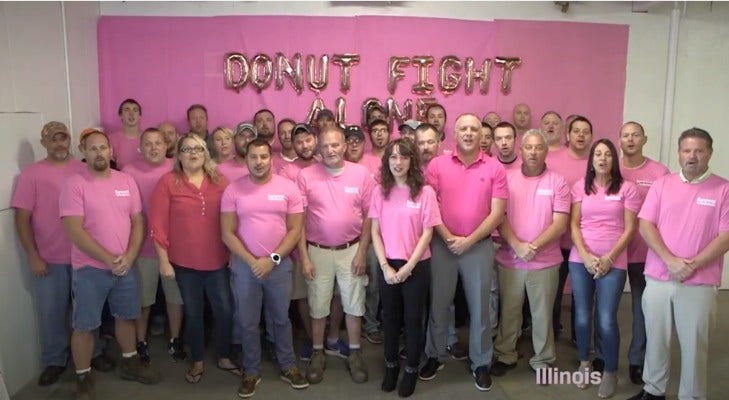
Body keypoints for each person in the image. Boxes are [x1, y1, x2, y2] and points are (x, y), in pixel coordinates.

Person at [628, 128, 729, 400]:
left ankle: (692, 396)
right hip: (659, 277)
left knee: (695, 346)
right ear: (679, 153)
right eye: (687, 150)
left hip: (699, 282)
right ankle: (653, 390)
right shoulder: (663, 184)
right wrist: (671, 261)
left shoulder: (724, 189)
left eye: (698, 150)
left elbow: (726, 236)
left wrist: (691, 265)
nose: (692, 156)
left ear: (709, 153)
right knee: (656, 340)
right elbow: (646, 224)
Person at [59, 129, 160, 399]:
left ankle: (129, 363)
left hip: (124, 267)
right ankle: (83, 377)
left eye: (103, 147)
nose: (100, 152)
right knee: (84, 326)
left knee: (126, 317)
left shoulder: (125, 181)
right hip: (90, 269)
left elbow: (138, 220)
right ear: (84, 151)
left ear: (111, 151)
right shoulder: (74, 184)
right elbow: (74, 230)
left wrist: (129, 256)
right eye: (93, 148)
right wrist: (109, 259)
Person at [420, 113, 507, 392]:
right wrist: (448, 237)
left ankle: (480, 362)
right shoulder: (436, 165)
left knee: (480, 306)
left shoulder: (494, 168)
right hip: (442, 244)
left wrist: (468, 241)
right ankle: (435, 355)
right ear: (454, 134)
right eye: (463, 129)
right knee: (439, 303)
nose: (468, 133)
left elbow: (497, 214)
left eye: (473, 128)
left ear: (481, 134)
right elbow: (428, 206)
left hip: (478, 246)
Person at [221, 139, 308, 398]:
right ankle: (251, 370)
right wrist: (252, 261)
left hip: (279, 266)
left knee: (281, 319)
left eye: (263, 157)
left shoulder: (288, 188)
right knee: (247, 322)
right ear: (246, 159)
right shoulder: (233, 190)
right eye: (253, 157)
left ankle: (288, 366)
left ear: (271, 159)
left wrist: (272, 260)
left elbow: (295, 230)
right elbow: (227, 233)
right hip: (246, 267)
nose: (259, 162)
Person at [149, 133, 238, 384]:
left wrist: (232, 252)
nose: (193, 153)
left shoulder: (220, 180)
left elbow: (232, 219)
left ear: (205, 153)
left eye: (197, 148)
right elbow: (157, 224)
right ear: (178, 155)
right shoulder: (168, 182)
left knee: (224, 311)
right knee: (194, 313)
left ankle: (223, 356)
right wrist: (164, 260)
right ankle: (197, 360)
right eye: (186, 149)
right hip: (184, 264)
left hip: (218, 261)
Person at [12, 122, 92, 386]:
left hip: (85, 257)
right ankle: (55, 360)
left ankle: (95, 353)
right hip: (49, 259)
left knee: (87, 311)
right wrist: (32, 255)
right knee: (51, 312)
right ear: (44, 142)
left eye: (63, 138)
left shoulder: (84, 170)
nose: (59, 144)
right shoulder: (31, 175)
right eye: (53, 139)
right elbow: (22, 219)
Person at [297, 127, 375, 384]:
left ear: (344, 146)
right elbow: (299, 221)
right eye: (325, 146)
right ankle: (318, 353)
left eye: (335, 145)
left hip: (352, 249)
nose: (330, 150)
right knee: (318, 304)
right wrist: (304, 257)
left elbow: (368, 217)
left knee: (354, 303)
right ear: (319, 148)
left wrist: (362, 252)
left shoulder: (361, 174)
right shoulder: (306, 176)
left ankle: (354, 352)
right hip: (317, 251)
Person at [491, 130, 570, 376]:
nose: (533, 152)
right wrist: (517, 245)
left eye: (538, 147)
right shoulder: (506, 177)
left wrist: (531, 247)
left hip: (545, 262)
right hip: (510, 259)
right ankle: (505, 354)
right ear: (521, 150)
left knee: (542, 314)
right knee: (509, 311)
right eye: (529, 147)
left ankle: (543, 359)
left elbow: (560, 224)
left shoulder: (558, 181)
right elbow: (498, 216)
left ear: (546, 151)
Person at [569, 138, 640, 398]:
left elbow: (631, 228)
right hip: (581, 260)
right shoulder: (580, 187)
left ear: (614, 159)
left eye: (607, 154)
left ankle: (610, 371)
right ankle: (585, 363)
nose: (602, 158)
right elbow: (574, 225)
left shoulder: (627, 189)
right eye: (597, 154)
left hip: (614, 260)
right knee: (582, 316)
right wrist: (587, 256)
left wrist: (609, 258)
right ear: (591, 160)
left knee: (607, 319)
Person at [370, 139, 441, 397]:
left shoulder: (425, 192)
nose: (397, 162)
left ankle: (411, 368)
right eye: (393, 158)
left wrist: (409, 266)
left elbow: (427, 232)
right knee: (389, 319)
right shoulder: (379, 191)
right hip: (387, 264)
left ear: (412, 161)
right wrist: (385, 267)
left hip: (416, 266)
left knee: (413, 320)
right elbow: (375, 232)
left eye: (403, 157)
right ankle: (391, 366)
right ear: (387, 162)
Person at [613, 121, 670, 385]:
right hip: (612, 252)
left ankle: (637, 360)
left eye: (636, 135)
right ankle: (604, 358)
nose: (631, 139)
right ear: (620, 140)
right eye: (626, 135)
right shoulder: (612, 167)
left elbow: (669, 213)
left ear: (644, 139)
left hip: (643, 253)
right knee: (606, 310)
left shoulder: (659, 172)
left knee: (640, 309)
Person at [122, 128, 185, 365]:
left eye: (158, 143)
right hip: (141, 247)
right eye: (148, 144)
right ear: (141, 147)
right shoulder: (129, 171)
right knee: (144, 299)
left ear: (165, 145)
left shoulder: (176, 166)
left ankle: (175, 339)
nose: (154, 147)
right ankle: (141, 342)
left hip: (174, 247)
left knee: (174, 298)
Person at [549, 116, 594, 340]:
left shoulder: (597, 162)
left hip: (585, 242)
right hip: (556, 240)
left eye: (586, 131)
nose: (580, 135)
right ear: (568, 135)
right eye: (576, 131)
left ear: (591, 137)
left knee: (582, 294)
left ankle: (580, 336)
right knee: (553, 292)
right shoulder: (552, 158)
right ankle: (552, 332)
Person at [343, 124, 383, 344]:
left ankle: (371, 324)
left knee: (374, 282)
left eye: (358, 140)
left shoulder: (376, 164)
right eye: (349, 140)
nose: (354, 144)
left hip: (373, 235)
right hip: (345, 240)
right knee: (348, 286)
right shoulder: (335, 166)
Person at [109, 98, 143, 168]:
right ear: (121, 115)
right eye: (127, 110)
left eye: (135, 110)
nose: (131, 114)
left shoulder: (147, 138)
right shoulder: (111, 140)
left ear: (140, 116)